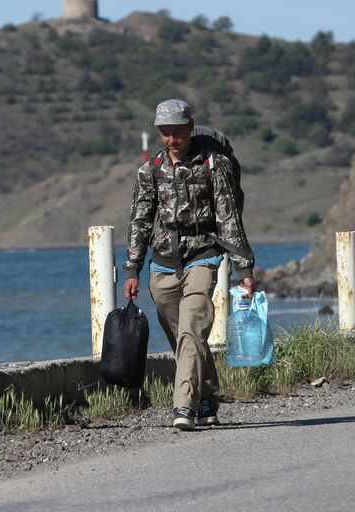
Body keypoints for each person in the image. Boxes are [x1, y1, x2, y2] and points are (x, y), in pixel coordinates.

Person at [123, 99, 256, 431]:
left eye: (177, 132)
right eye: (165, 133)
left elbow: (228, 217)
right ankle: (208, 395)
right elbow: (140, 221)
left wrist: (244, 268)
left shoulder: (215, 165)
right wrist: (132, 269)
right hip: (163, 265)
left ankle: (184, 406)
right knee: (185, 340)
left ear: (190, 127)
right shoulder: (150, 170)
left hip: (204, 256)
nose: (172, 139)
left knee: (191, 328)